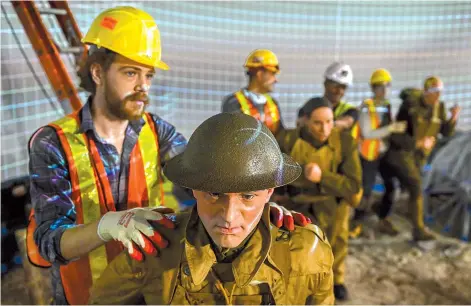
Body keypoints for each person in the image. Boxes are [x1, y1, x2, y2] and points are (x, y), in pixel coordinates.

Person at [28, 7, 304, 304]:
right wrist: (106, 227)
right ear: (97, 72)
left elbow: (207, 176)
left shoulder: (157, 131)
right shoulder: (53, 143)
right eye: (130, 72)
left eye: (148, 75)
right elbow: (47, 242)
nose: (142, 86)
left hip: (148, 287)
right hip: (83, 296)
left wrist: (254, 205)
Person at [89, 113, 334, 305]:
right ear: (193, 188)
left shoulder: (306, 253)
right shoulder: (154, 252)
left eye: (248, 196)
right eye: (214, 194)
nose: (229, 216)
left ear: (270, 191)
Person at [277, 98, 362, 301]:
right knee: (298, 250)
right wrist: (300, 173)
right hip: (298, 203)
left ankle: (337, 280)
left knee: (337, 243)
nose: (325, 129)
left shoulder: (345, 142)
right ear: (305, 120)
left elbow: (353, 184)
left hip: (332, 202)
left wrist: (323, 177)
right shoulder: (288, 140)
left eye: (330, 122)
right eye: (317, 123)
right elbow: (277, 175)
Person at [295, 62, 360, 301]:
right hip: (312, 178)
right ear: (325, 83)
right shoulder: (308, 108)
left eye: (343, 87)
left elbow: (346, 123)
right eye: (335, 85)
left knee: (339, 236)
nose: (338, 91)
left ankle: (337, 279)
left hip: (340, 170)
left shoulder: (349, 111)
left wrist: (322, 120)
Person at [375, 76, 460, 241]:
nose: (437, 96)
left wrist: (454, 118)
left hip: (416, 158)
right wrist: (418, 143)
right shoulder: (410, 107)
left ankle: (380, 211)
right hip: (399, 154)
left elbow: (446, 132)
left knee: (394, 189)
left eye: (440, 92)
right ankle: (418, 230)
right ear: (426, 91)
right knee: (415, 186)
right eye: (434, 92)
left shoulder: (439, 108)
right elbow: (396, 135)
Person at [349, 69, 407, 237]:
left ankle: (383, 217)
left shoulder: (386, 106)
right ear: (373, 88)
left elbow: (385, 131)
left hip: (382, 154)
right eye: (379, 86)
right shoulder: (367, 107)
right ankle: (356, 222)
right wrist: (391, 128)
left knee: (392, 185)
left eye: (386, 85)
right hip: (367, 155)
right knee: (365, 190)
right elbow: (367, 133)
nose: (384, 90)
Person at [221, 49, 284, 136]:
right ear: (260, 73)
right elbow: (233, 137)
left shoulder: (273, 104)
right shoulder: (234, 102)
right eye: (272, 74)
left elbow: (281, 137)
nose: (275, 80)